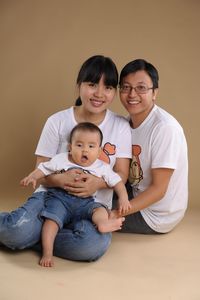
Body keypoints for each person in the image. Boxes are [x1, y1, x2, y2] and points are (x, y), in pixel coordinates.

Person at [0, 55, 132, 262]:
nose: (99, 93)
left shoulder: (121, 126)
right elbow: (42, 172)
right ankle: (26, 231)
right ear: (79, 85)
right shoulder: (57, 121)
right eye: (91, 84)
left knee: (90, 246)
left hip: (92, 206)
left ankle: (37, 234)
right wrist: (60, 180)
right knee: (13, 231)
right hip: (51, 198)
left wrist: (96, 183)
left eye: (107, 87)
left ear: (114, 91)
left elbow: (122, 174)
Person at [21, 122, 130, 267]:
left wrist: (123, 198)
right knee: (51, 221)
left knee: (100, 209)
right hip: (60, 200)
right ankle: (47, 252)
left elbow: (117, 182)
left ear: (99, 151)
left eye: (91, 146)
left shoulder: (102, 167)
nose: (85, 150)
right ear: (70, 147)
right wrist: (33, 176)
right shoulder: (62, 159)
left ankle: (102, 223)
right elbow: (44, 168)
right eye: (79, 145)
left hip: (86, 202)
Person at [112, 58, 188, 234]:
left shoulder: (164, 128)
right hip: (134, 191)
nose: (132, 94)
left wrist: (114, 213)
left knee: (89, 215)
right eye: (126, 87)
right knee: (80, 199)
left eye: (141, 88)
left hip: (156, 213)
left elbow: (159, 190)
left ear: (154, 93)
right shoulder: (125, 123)